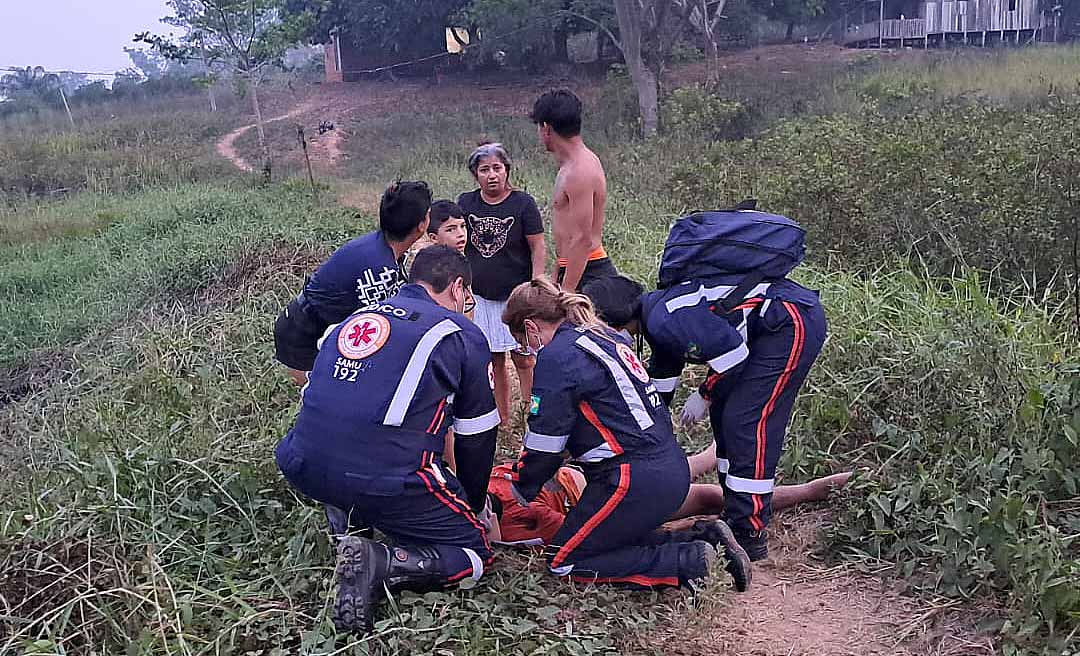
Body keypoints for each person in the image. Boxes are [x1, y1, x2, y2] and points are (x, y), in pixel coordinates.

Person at [274, 246, 501, 633]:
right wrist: (475, 507)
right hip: (385, 475)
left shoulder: (356, 317)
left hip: (302, 462)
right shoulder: (459, 332)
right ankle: (385, 562)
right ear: (459, 287)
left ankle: (348, 522)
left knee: (355, 441)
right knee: (474, 553)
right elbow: (477, 435)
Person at [499, 278, 752, 592]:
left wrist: (522, 486)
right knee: (604, 538)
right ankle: (704, 535)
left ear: (531, 326)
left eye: (524, 341)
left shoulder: (556, 356)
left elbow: (545, 444)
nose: (528, 350)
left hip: (630, 480)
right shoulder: (602, 336)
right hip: (668, 466)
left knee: (565, 561)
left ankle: (689, 561)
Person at [582, 273, 828, 562]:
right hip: (768, 326)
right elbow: (660, 387)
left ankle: (749, 531)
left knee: (747, 421)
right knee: (726, 417)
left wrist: (705, 392)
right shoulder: (655, 322)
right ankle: (736, 510)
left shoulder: (664, 319)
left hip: (789, 321)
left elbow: (733, 356)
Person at [273, 181, 432, 385]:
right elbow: (376, 328)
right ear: (421, 225)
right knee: (322, 391)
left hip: (313, 322)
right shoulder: (379, 269)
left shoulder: (381, 246)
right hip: (304, 333)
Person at [486, 458, 852, 546]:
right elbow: (568, 533)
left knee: (679, 468)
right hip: (607, 500)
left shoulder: (484, 483)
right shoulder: (514, 528)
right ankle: (811, 490)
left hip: (592, 474)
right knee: (709, 497)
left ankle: (715, 452)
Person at [457, 143, 545, 428]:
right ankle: (503, 419)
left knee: (525, 360)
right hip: (482, 296)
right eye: (484, 170)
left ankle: (532, 415)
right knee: (495, 360)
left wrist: (536, 285)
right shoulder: (467, 203)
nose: (492, 175)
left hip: (516, 297)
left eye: (497, 168)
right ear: (475, 174)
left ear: (507, 170)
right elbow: (458, 241)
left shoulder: (522, 204)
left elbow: (538, 246)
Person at [530, 89, 616, 292]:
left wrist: (566, 295)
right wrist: (556, 276)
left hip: (589, 272)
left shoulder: (580, 170)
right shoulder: (570, 166)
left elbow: (582, 239)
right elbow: (568, 234)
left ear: (546, 129)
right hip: (572, 269)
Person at [423, 200, 473, 471]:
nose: (461, 234)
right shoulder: (430, 273)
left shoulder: (462, 263)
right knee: (446, 416)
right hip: (442, 354)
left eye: (463, 227)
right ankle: (454, 473)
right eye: (451, 229)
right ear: (433, 238)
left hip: (460, 349)